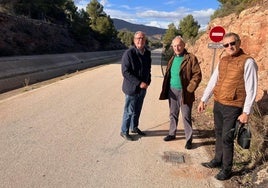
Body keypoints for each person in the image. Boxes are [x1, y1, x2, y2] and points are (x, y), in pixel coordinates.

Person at [197, 32, 258, 180]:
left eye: (232, 43)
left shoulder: (248, 62)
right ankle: (217, 160)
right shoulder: (223, 60)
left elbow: (252, 89)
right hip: (218, 103)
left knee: (227, 138)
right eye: (226, 45)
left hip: (233, 106)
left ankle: (227, 169)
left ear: (239, 42)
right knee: (218, 133)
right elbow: (213, 81)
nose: (230, 46)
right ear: (223, 47)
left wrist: (246, 112)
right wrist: (204, 99)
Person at [159, 36, 202, 149]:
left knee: (186, 116)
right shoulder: (172, 58)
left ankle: (189, 139)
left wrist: (190, 88)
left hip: (185, 92)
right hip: (172, 91)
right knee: (173, 114)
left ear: (184, 45)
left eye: (179, 45)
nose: (177, 48)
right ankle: (172, 133)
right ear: (172, 47)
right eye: (174, 46)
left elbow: (197, 75)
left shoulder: (191, 58)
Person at [120, 31, 151, 141]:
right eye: (138, 38)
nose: (140, 40)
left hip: (143, 88)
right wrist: (139, 83)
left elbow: (148, 69)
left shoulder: (147, 53)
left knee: (137, 109)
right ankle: (124, 131)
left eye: (142, 38)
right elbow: (125, 72)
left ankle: (134, 127)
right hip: (132, 88)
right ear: (134, 40)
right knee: (129, 111)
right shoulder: (129, 53)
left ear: (145, 40)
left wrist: (148, 81)